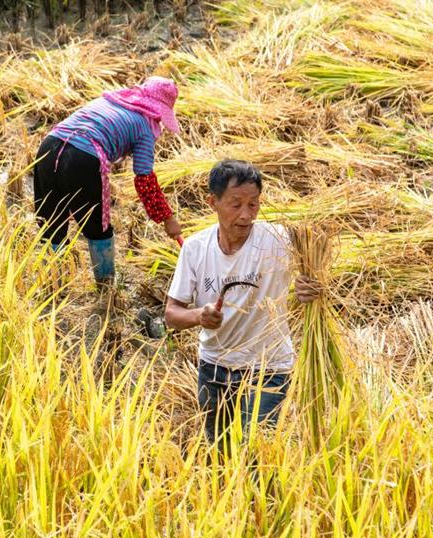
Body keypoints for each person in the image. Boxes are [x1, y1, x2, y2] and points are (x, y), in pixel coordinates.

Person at [164, 160, 321, 453]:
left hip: (269, 367)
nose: (246, 215)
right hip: (214, 369)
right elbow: (172, 314)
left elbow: (316, 264)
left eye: (253, 204)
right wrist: (199, 315)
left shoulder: (278, 240)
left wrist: (307, 288)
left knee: (257, 452)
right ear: (213, 202)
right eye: (235, 205)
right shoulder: (195, 248)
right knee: (219, 450)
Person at [33, 76, 183, 290]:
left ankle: (56, 287)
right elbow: (144, 179)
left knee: (52, 220)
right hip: (83, 158)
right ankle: (106, 288)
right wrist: (168, 219)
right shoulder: (144, 127)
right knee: (97, 226)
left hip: (48, 147)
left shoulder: (112, 101)